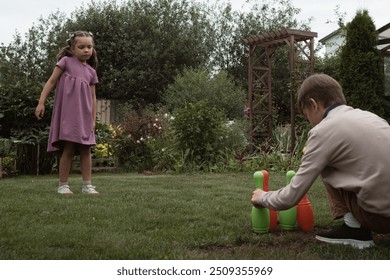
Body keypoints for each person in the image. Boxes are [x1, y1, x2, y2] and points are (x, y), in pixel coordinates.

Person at [251, 73, 390, 249]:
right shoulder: (371, 118)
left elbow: (291, 196)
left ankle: (354, 230)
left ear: (314, 104)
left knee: (324, 163)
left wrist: (263, 197)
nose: (310, 123)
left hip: (380, 218)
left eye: (307, 115)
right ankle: (355, 226)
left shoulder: (323, 131)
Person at [35, 31, 99, 195]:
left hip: (84, 116)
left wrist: (93, 120)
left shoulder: (91, 72)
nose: (86, 50)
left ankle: (87, 185)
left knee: (86, 150)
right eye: (81, 46)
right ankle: (63, 185)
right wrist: (41, 102)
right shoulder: (65, 62)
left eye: (89, 47)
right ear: (72, 48)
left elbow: (93, 98)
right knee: (68, 149)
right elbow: (51, 81)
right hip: (68, 116)